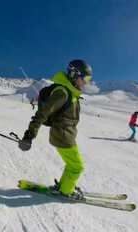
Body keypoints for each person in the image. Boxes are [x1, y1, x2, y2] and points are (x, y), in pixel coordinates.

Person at [18, 59, 92, 197]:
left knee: (72, 165)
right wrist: (29, 136)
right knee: (77, 167)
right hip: (63, 137)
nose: (87, 82)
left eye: (89, 78)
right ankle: (66, 192)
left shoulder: (71, 92)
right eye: (86, 78)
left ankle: (64, 186)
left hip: (66, 135)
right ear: (75, 75)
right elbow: (41, 114)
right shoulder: (62, 92)